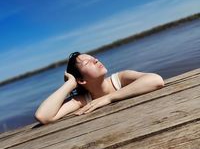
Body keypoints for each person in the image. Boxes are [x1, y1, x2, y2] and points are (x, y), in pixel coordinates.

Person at [35, 51, 165, 124]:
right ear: (81, 80)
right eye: (87, 62)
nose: (96, 60)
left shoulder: (120, 79)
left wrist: (109, 98)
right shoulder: (82, 100)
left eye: (94, 58)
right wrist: (69, 84)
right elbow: (43, 116)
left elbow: (156, 80)